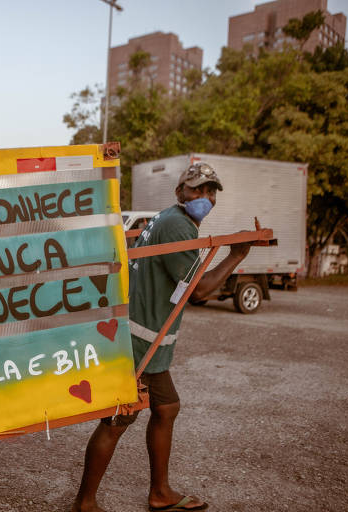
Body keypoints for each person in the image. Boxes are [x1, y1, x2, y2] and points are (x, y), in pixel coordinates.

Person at [72, 162, 253, 512]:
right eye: (198, 189)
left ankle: (159, 492)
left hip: (144, 338)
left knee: (166, 407)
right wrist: (236, 256)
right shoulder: (177, 226)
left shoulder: (169, 219)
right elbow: (199, 291)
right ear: (180, 192)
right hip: (141, 342)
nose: (205, 197)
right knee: (118, 419)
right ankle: (86, 502)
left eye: (211, 191)